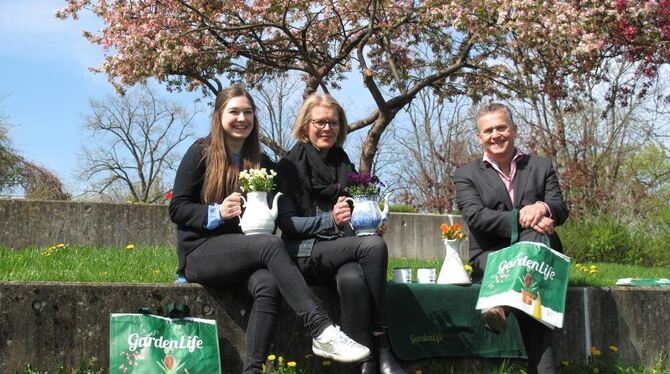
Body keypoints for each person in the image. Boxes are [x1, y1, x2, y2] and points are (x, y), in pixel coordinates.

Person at [168, 85, 370, 374]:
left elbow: (294, 181)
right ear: (219, 116)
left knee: (268, 284)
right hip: (201, 252)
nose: (242, 118)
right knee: (269, 244)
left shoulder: (261, 162)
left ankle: (252, 369)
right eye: (234, 112)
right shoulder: (200, 152)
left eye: (247, 112)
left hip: (243, 254)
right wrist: (216, 212)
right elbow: (177, 208)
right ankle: (321, 329)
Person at [276, 94, 405, 374]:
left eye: (333, 123)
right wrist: (330, 221)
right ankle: (383, 343)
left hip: (341, 250)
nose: (327, 129)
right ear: (305, 126)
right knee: (373, 247)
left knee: (353, 279)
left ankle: (365, 362)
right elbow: (288, 225)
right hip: (304, 253)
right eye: (320, 122)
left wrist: (368, 222)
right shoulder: (288, 165)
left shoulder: (343, 164)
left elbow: (356, 208)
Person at [454, 103, 569, 374]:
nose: (496, 135)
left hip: (537, 255)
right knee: (532, 287)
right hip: (493, 257)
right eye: (488, 130)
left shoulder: (541, 166)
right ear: (479, 137)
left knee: (534, 247)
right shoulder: (465, 175)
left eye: (501, 128)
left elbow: (560, 207)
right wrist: (524, 216)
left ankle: (501, 305)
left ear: (514, 130)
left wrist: (542, 208)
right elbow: (476, 216)